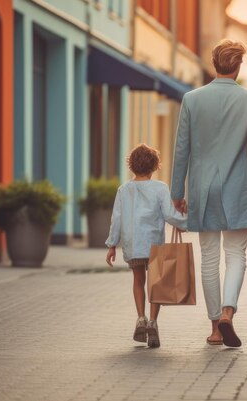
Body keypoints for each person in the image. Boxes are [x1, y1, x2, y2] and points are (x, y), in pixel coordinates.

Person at [171, 39, 247, 348]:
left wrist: (177, 192)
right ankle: (228, 312)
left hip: (202, 188)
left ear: (214, 63)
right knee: (236, 255)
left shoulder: (191, 99)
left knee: (209, 259)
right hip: (237, 188)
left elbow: (182, 149)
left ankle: (215, 327)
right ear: (239, 66)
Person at [105, 144, 187, 348]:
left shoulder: (124, 190)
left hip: (133, 243)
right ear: (154, 166)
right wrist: (185, 223)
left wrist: (112, 244)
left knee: (138, 280)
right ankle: (153, 322)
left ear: (132, 166)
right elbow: (169, 214)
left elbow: (117, 218)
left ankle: (140, 318)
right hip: (153, 244)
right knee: (156, 284)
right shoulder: (160, 188)